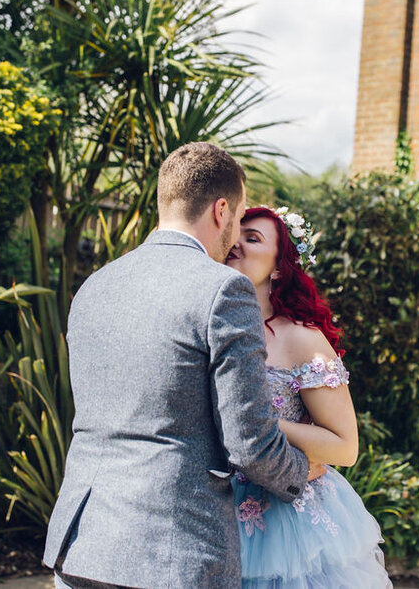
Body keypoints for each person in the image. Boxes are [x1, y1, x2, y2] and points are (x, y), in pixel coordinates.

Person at [43, 142, 311, 588]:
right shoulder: (224, 291)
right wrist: (304, 472)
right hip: (171, 552)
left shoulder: (94, 285)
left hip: (81, 542)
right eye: (241, 216)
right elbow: (249, 442)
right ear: (221, 210)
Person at [227, 206, 393, 588]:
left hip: (285, 524)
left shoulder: (302, 339)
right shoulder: (206, 323)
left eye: (253, 238)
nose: (236, 243)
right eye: (236, 233)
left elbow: (344, 446)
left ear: (280, 267)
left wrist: (258, 423)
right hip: (213, 509)